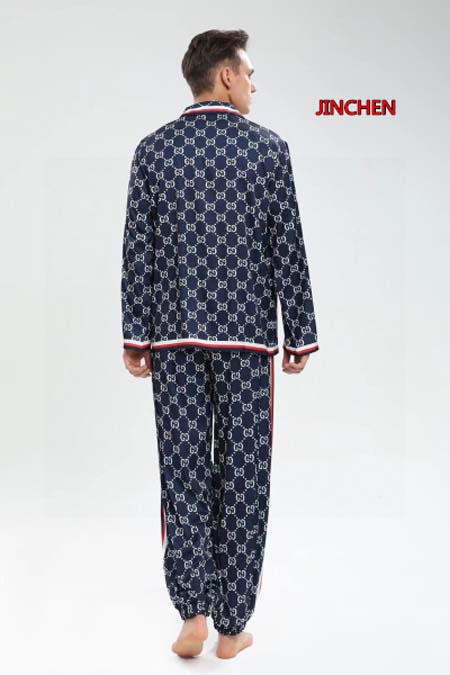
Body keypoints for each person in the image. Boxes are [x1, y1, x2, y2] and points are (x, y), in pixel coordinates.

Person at [120, 28, 319, 659]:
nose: (255, 84)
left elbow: (138, 254)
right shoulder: (268, 150)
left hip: (173, 339)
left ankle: (193, 615)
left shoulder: (152, 151)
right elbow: (288, 246)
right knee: (244, 475)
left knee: (182, 472)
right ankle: (233, 627)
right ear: (226, 76)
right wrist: (300, 334)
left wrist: (135, 335)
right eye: (249, 73)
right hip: (247, 340)